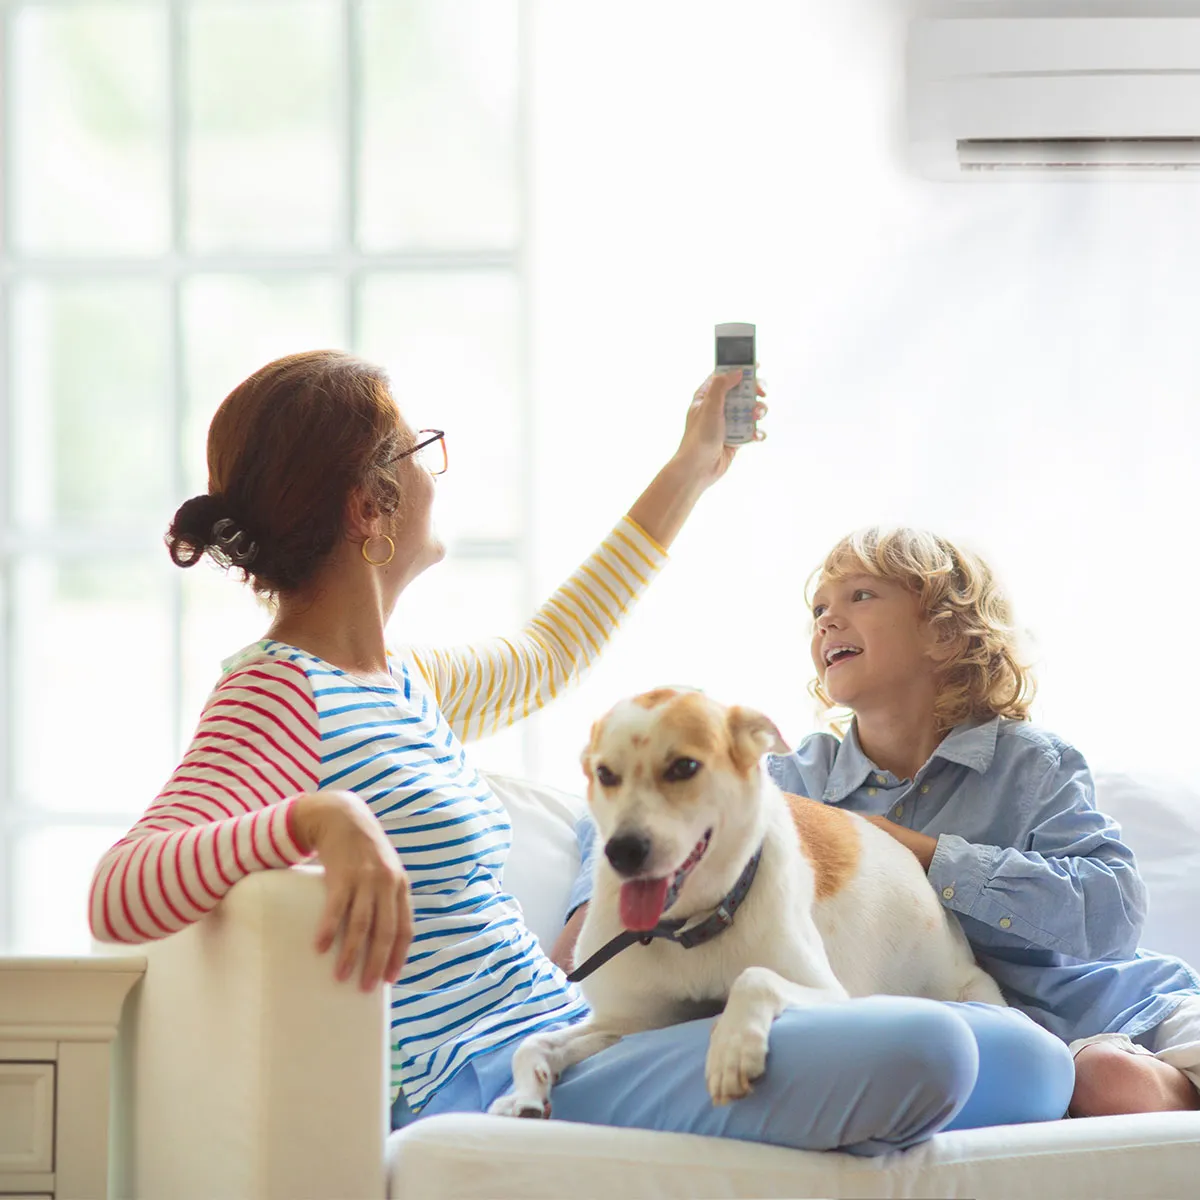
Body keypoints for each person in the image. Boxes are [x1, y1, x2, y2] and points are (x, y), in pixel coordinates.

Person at [89, 353, 1071, 1154]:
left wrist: (694, 464)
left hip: (577, 1031)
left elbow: (549, 652)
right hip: (489, 1078)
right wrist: (316, 817)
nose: (437, 464)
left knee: (1034, 1064)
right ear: (367, 507)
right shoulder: (275, 695)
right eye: (419, 446)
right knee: (934, 1052)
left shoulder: (403, 684)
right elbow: (122, 891)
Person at [566, 526, 1197, 1120]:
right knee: (1090, 1077)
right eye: (818, 610)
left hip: (1119, 1006)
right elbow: (645, 805)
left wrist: (928, 855)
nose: (828, 620)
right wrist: (587, 917)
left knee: (1113, 1078)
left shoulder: (1031, 764)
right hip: (1005, 1039)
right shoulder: (796, 774)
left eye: (860, 596)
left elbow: (1112, 912)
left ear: (946, 635)